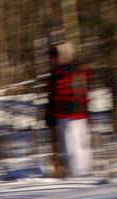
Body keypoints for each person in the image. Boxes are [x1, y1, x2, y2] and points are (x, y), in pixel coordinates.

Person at [46, 42, 93, 177]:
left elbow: (55, 96)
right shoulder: (78, 70)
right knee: (81, 146)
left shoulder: (59, 74)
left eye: (53, 57)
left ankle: (78, 176)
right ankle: (84, 173)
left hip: (67, 115)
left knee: (73, 147)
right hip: (78, 114)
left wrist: (50, 114)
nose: (51, 61)